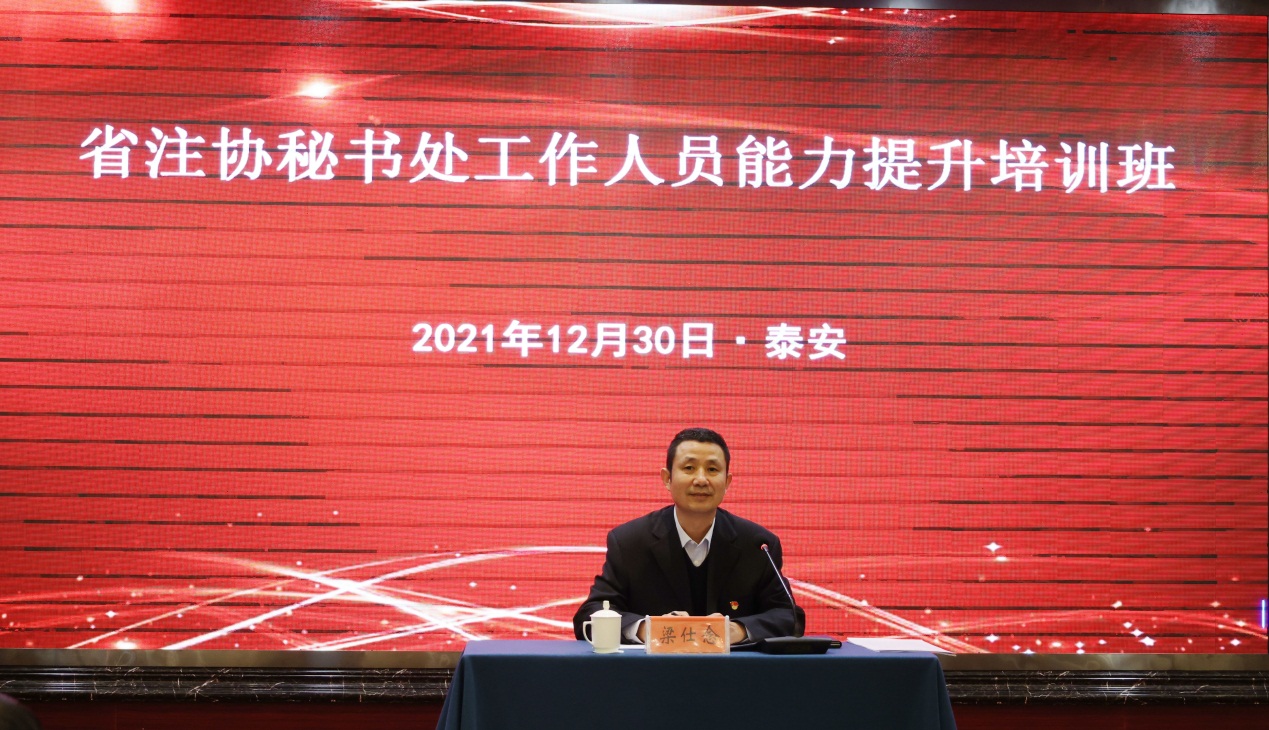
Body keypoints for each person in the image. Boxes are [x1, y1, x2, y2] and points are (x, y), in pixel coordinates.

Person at [573, 427, 800, 645]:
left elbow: (789, 616)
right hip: (655, 668)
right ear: (667, 478)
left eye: (712, 470)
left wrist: (738, 630)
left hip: (732, 669)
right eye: (689, 468)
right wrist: (648, 629)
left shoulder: (757, 545)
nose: (701, 479)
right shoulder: (630, 542)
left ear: (727, 482)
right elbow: (590, 615)